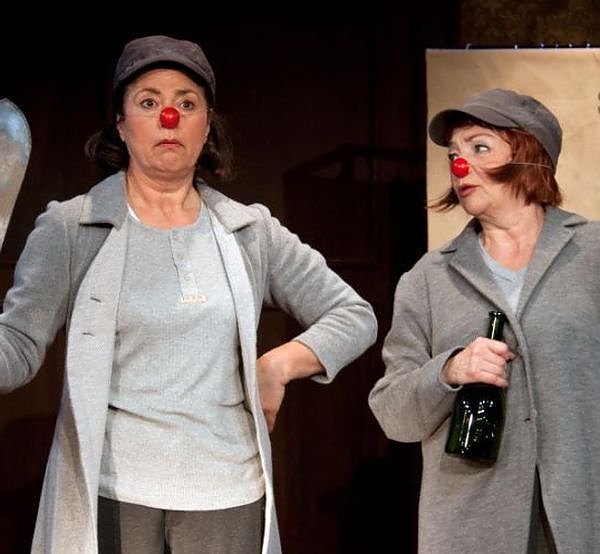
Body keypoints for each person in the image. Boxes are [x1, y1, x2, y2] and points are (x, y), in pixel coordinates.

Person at [0, 35, 377, 554]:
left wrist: (278, 365)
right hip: (114, 497)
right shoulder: (72, 227)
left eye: (187, 103)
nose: (169, 117)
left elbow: (354, 314)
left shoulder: (250, 231)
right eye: (149, 102)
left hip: (227, 497)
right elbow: (17, 348)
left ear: (207, 124)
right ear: (121, 124)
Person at [368, 88, 600, 553]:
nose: (460, 167)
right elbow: (393, 414)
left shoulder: (592, 254)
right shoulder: (427, 279)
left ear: (530, 153)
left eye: (479, 147)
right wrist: (449, 370)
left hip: (583, 518)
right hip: (472, 528)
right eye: (453, 155)